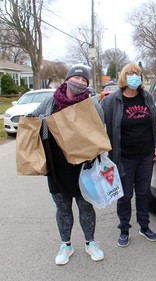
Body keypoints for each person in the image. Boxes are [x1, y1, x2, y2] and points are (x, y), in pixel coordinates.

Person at [32, 65, 105, 265]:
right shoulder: (51, 101)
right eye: (76, 78)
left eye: (84, 81)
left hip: (83, 165)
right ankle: (66, 245)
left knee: (86, 205)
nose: (79, 83)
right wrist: (41, 121)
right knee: (62, 207)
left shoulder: (92, 104)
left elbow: (100, 130)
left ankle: (91, 243)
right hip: (57, 165)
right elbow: (33, 118)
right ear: (67, 79)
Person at [100, 63, 156, 247]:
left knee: (143, 194)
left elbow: (155, 123)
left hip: (146, 156)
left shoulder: (147, 97)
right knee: (125, 196)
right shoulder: (111, 101)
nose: (135, 76)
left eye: (138, 73)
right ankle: (124, 229)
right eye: (131, 73)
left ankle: (144, 226)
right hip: (123, 157)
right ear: (123, 76)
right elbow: (95, 121)